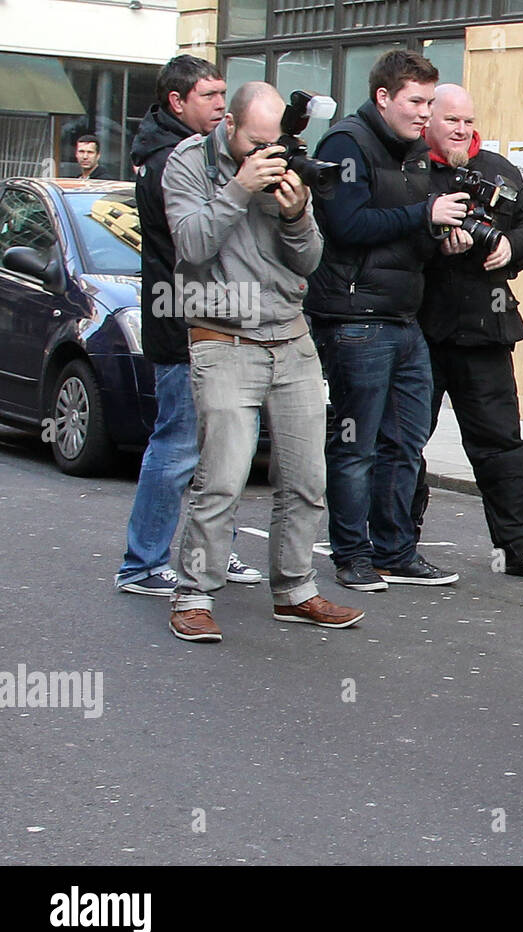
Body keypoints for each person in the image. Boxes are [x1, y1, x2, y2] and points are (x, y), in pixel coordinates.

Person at [164, 81, 361, 642]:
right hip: (222, 338)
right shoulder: (187, 164)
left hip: (291, 336)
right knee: (222, 478)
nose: (265, 155)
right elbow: (193, 245)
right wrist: (237, 189)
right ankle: (194, 593)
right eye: (255, 143)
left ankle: (295, 590)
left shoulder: (289, 160)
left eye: (273, 144)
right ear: (228, 125)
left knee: (306, 478)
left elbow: (310, 259)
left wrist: (298, 214)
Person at [306, 51, 465, 590]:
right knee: (356, 446)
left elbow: (407, 234)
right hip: (353, 317)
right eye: (416, 102)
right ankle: (352, 555)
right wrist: (424, 215)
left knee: (406, 442)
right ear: (383, 98)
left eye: (430, 102)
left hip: (402, 316)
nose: (427, 113)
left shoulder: (417, 151)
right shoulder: (345, 144)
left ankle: (396, 550)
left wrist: (443, 237)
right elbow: (346, 224)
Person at [113, 56, 263, 596]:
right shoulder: (166, 162)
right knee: (177, 446)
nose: (223, 104)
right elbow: (198, 241)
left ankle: (212, 553)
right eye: (210, 95)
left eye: (225, 93)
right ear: (178, 102)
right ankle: (143, 563)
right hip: (181, 320)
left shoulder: (205, 153)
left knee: (224, 448)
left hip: (225, 318)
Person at [416, 83, 523, 576]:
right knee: (404, 442)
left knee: (502, 444)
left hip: (486, 331)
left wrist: (509, 249)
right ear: (429, 120)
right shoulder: (411, 168)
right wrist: (434, 243)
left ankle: (522, 545)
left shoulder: (499, 170)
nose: (462, 129)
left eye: (468, 121)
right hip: (421, 331)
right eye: (452, 120)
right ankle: (395, 542)